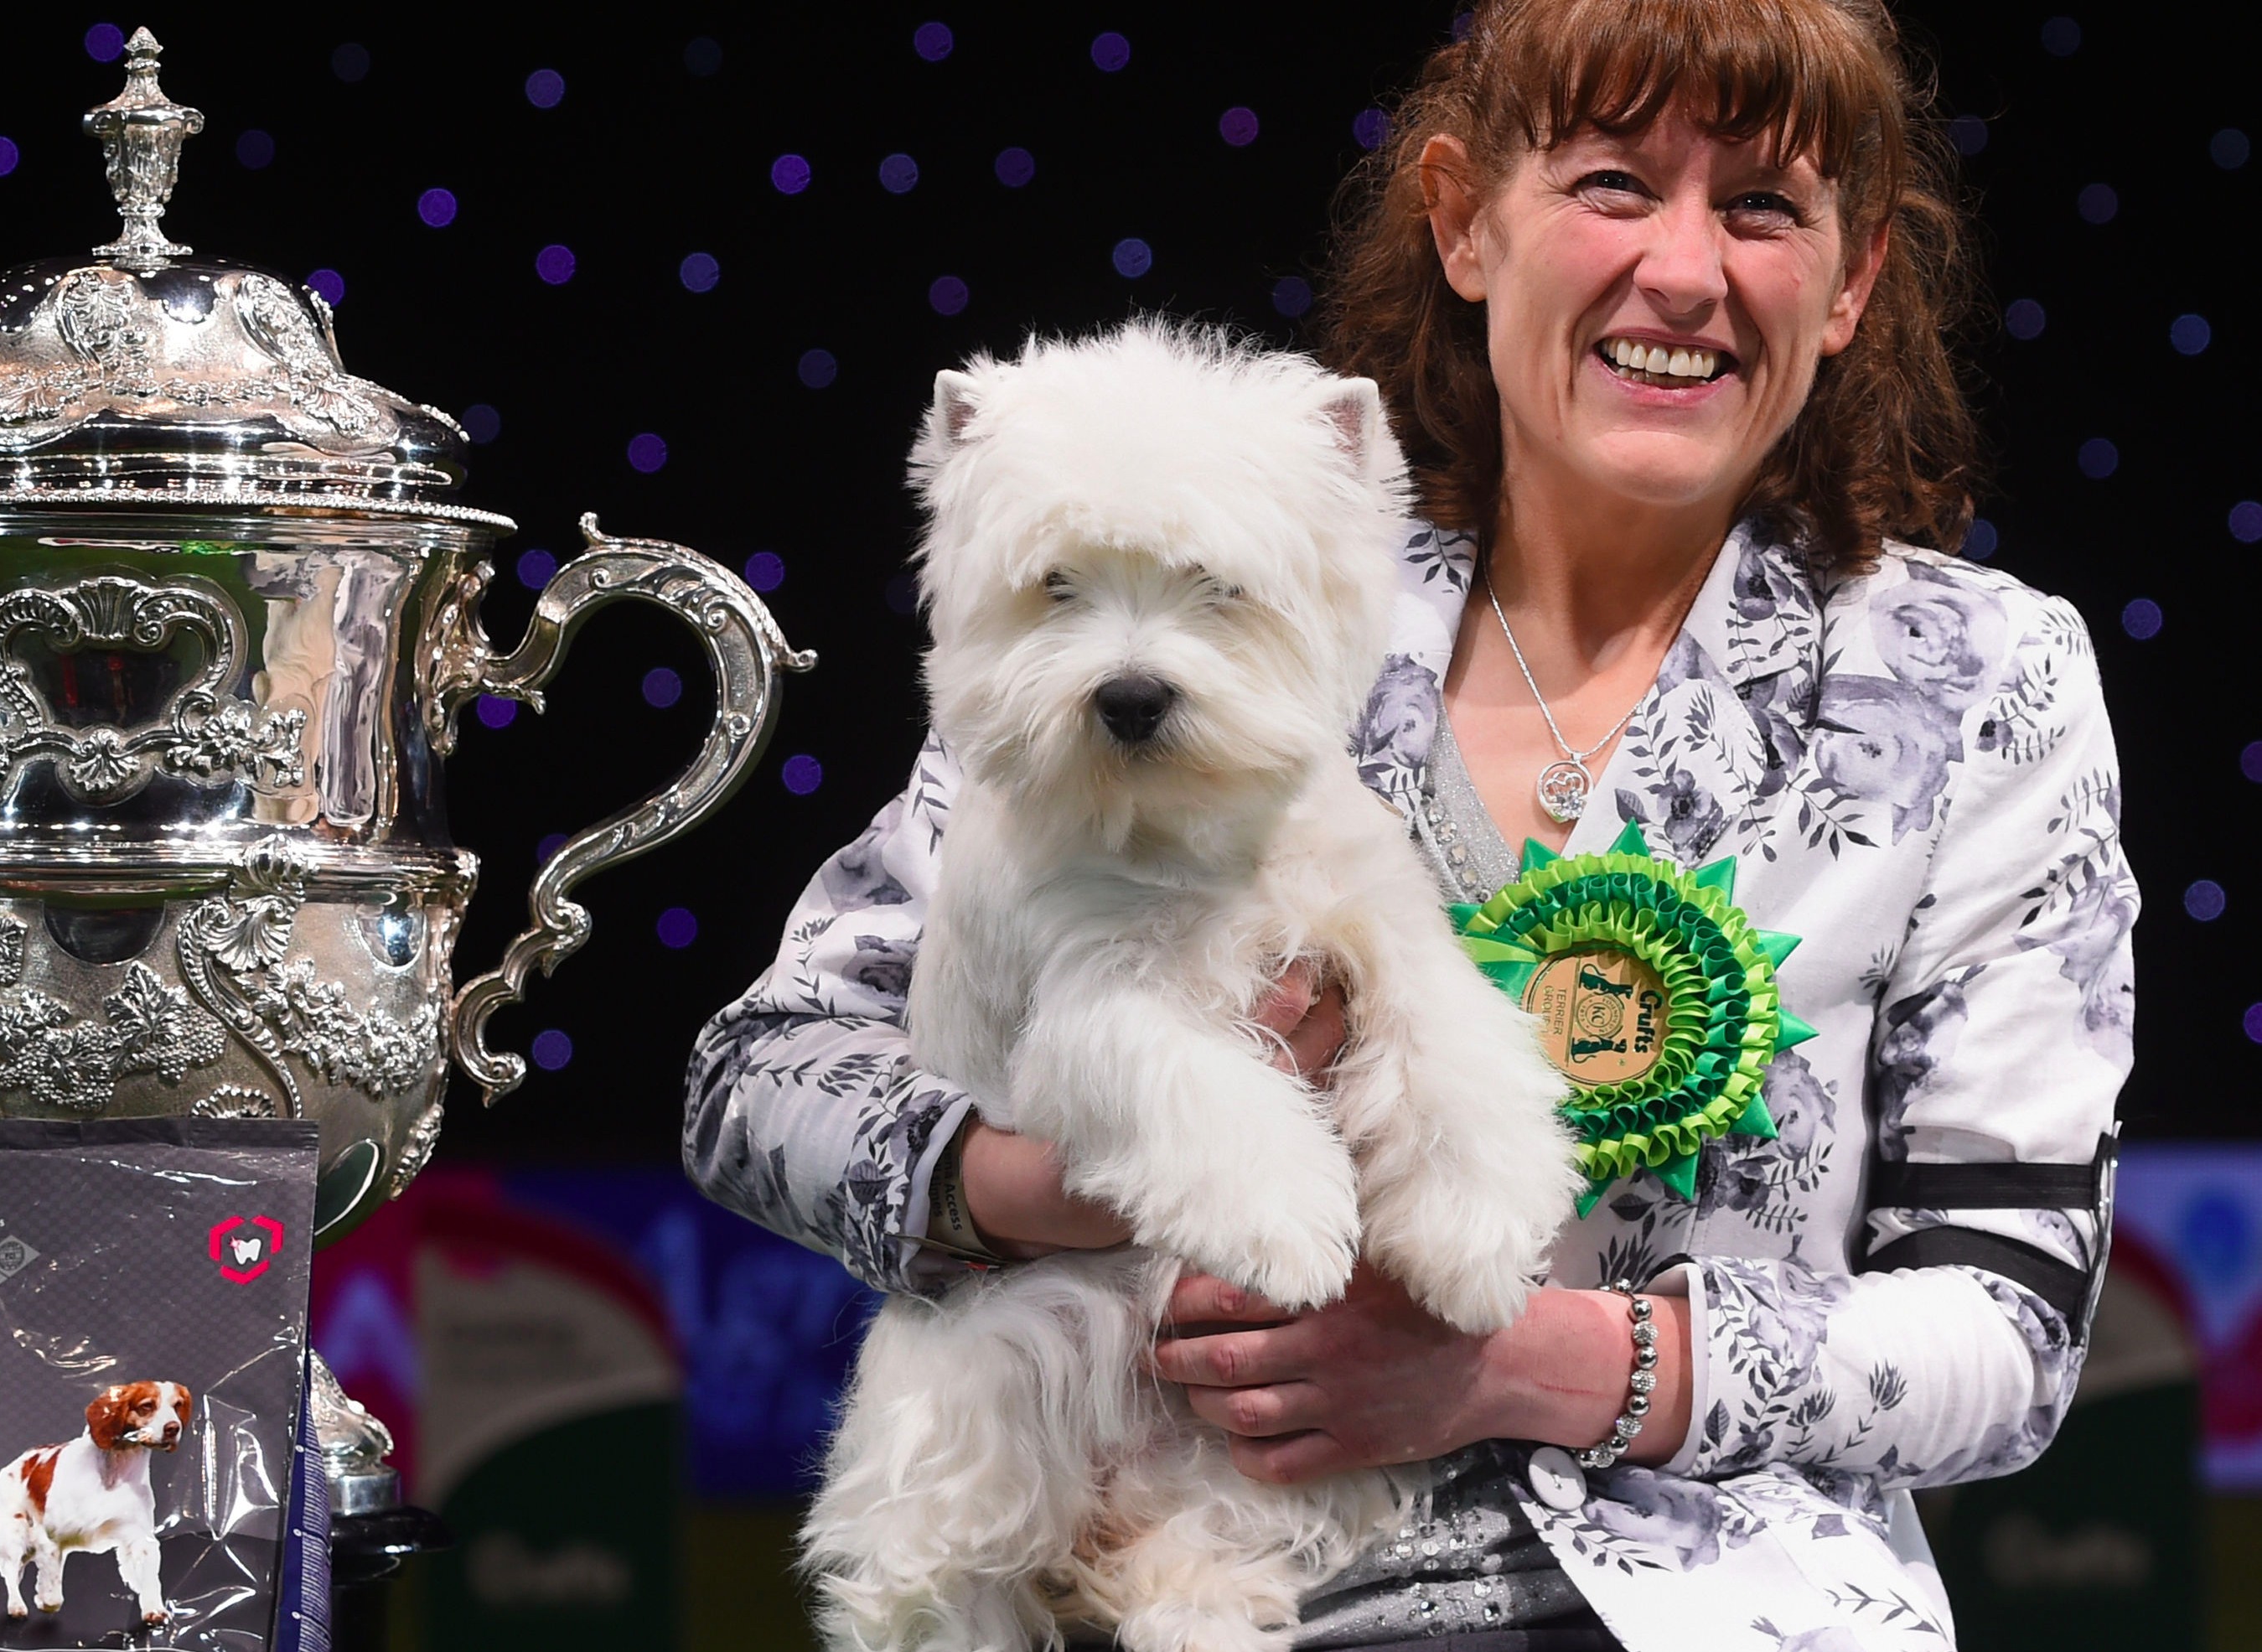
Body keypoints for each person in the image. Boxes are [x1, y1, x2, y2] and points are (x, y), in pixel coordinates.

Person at [683, 0, 2133, 1647]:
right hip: (1149, 1573)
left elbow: (2005, 1331)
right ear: (1461, 221)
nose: (1680, 268)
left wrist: (1533, 1362)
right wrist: (1062, 1177)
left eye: (1759, 207)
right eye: (1609, 182)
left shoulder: (1973, 678)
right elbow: (758, 1087)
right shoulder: (1192, 580)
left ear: (1850, 280)